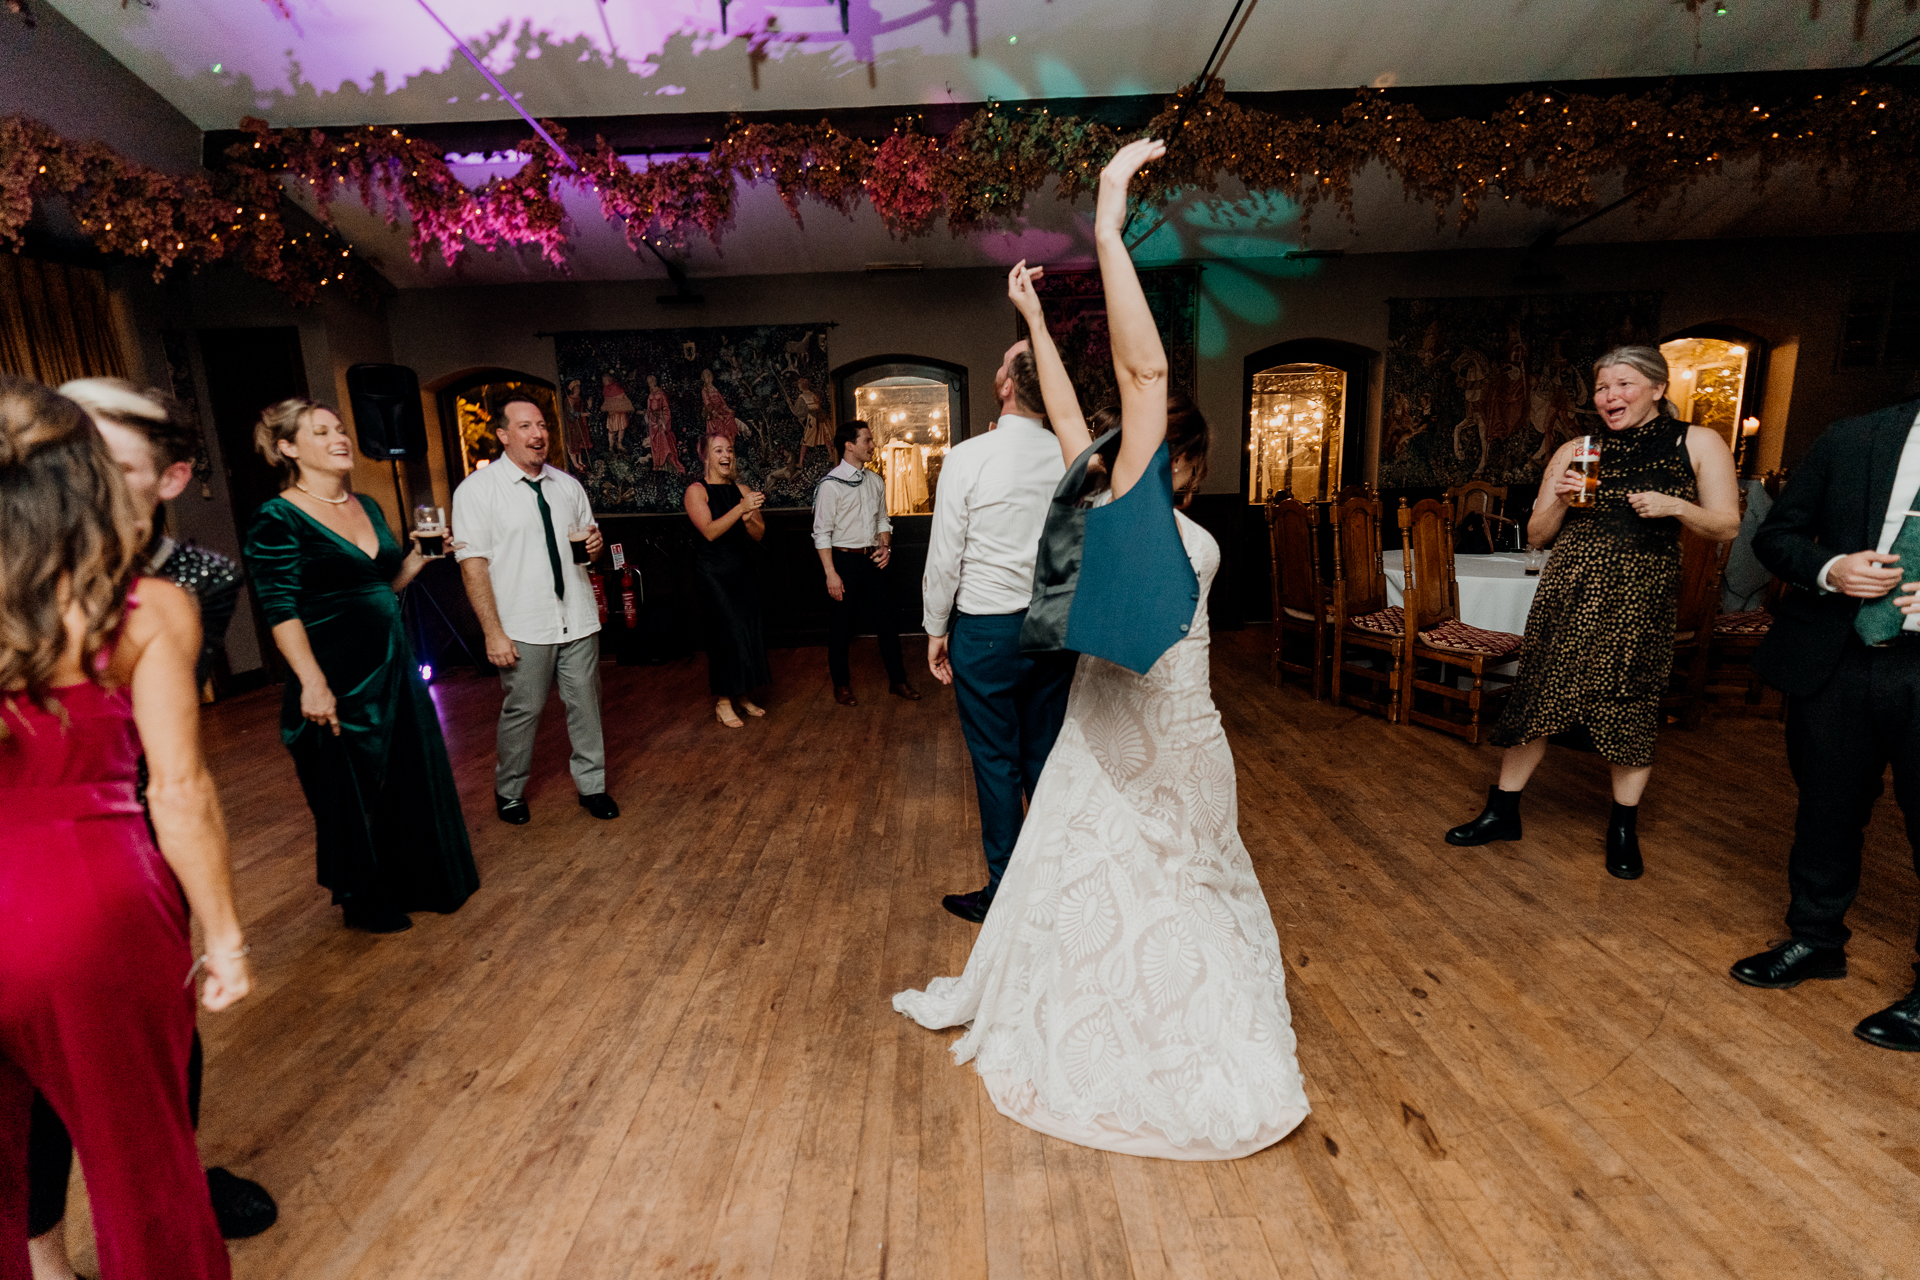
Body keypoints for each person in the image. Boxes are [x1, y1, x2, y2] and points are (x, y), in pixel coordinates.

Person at [893, 142, 1311, 1160]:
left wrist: (1110, 223)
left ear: (1177, 459)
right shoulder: (1133, 510)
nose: (1130, 441)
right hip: (1157, 733)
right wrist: (1035, 322)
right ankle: (1168, 1019)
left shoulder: (1142, 515)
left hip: (1143, 737)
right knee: (1167, 891)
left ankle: (1154, 1033)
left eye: (1149, 438)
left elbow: (1141, 371)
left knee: (1130, 890)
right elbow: (1091, 411)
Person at [0, 377, 252, 1279]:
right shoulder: (142, 609)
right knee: (141, 1164)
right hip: (88, 908)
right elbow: (180, 793)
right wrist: (223, 938)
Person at [1445, 346, 1739, 879]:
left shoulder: (1696, 442)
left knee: (1629, 703)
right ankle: (1502, 811)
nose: (1609, 397)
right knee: (1538, 692)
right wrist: (1558, 497)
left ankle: (1622, 827)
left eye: (1623, 385)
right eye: (1603, 388)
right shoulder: (1578, 448)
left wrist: (1675, 505)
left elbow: (1727, 524)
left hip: (1640, 598)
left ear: (1657, 388)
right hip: (1568, 591)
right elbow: (1536, 535)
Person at [1727, 390, 1920, 1051]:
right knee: (1826, 811)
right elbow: (1775, 536)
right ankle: (1814, 941)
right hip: (1837, 657)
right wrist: (1832, 568)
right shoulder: (1853, 435)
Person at [243, 398, 479, 932]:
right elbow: (279, 609)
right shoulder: (278, 516)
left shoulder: (367, 505)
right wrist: (312, 683)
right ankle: (362, 897)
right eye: (321, 432)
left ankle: (416, 880)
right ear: (287, 449)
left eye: (340, 429)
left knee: (404, 775)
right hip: (333, 671)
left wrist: (418, 560)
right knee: (350, 787)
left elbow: (379, 587)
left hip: (393, 662)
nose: (339, 438)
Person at [920, 302, 1071, 923]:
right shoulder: (1071, 456)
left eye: (1006, 363)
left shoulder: (967, 458)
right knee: (1046, 758)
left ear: (1008, 387)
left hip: (984, 632)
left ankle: (1007, 894)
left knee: (996, 761)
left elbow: (944, 559)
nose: (999, 366)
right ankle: (1063, 881)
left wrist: (934, 631)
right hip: (1054, 629)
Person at [454, 394, 619, 823]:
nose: (538, 434)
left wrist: (597, 548)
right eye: (525, 426)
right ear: (503, 435)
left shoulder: (567, 486)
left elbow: (590, 543)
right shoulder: (477, 492)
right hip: (523, 624)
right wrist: (493, 632)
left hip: (578, 617)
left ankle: (592, 786)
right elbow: (473, 567)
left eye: (542, 425)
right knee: (523, 710)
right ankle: (509, 791)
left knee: (586, 705)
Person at [813, 421, 918, 706]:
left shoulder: (875, 481)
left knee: (887, 622)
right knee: (841, 628)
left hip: (873, 561)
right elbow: (821, 533)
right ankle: (841, 686)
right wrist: (830, 574)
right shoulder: (830, 486)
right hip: (843, 561)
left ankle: (898, 681)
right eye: (868, 440)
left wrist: (886, 546)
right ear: (849, 445)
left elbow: (883, 520)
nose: (873, 445)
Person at [684, 432, 771, 728]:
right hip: (713, 574)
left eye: (730, 450)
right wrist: (741, 509)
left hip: (742, 569)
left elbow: (759, 534)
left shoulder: (741, 489)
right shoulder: (697, 491)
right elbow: (709, 531)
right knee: (726, 634)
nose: (726, 455)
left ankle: (743, 695)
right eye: (718, 450)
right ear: (705, 456)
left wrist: (749, 518)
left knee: (748, 630)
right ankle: (723, 701)